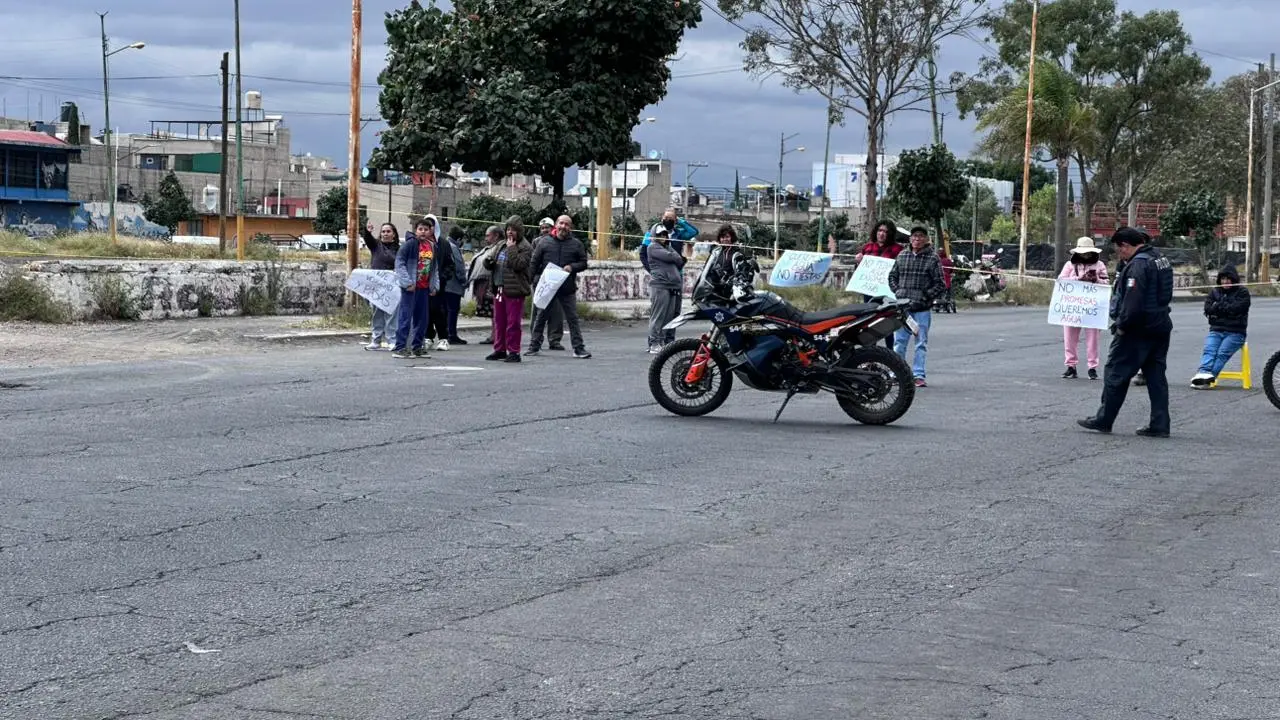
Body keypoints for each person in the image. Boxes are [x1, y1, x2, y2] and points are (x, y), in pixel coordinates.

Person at [1078, 227, 1174, 437]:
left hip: (1137, 330)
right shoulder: (1160, 259)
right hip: (1160, 324)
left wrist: (1122, 326)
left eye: (1119, 250)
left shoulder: (1138, 266)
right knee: (1156, 377)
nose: (1119, 254)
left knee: (1115, 373)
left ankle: (1104, 419)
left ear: (1125, 245)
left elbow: (1133, 303)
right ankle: (1160, 424)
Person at [888, 226, 946, 388]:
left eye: (921, 236)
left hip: (922, 309)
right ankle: (896, 373)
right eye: (914, 236)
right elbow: (892, 276)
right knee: (899, 342)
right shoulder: (902, 255)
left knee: (920, 343)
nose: (917, 239)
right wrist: (897, 291)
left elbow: (940, 284)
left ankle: (918, 375)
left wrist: (925, 296)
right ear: (910, 238)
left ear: (926, 239)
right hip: (903, 308)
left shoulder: (933, 258)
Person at [528, 215, 591, 358]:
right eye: (561, 223)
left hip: (567, 288)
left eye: (567, 224)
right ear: (556, 225)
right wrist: (531, 281)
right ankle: (534, 346)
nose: (563, 227)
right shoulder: (544, 242)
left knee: (572, 319)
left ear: (571, 228)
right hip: (548, 287)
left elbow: (584, 263)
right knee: (540, 316)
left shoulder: (576, 244)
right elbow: (534, 262)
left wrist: (572, 267)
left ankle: (579, 348)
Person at [1191, 265, 1251, 388]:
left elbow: (1238, 308)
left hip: (1236, 332)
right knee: (1209, 351)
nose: (1225, 281)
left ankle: (1207, 379)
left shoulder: (1243, 292)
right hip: (1216, 330)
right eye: (1223, 279)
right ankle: (1202, 374)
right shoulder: (1214, 291)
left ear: (1234, 279)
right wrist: (1224, 308)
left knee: (1221, 354)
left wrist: (1218, 307)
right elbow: (1208, 309)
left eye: (1229, 279)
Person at [484, 215, 534, 363]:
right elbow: (490, 259)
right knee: (499, 321)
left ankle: (514, 351)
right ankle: (499, 349)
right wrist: (489, 262)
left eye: (513, 230)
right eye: (508, 229)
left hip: (515, 290)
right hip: (499, 288)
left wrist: (512, 249)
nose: (510, 233)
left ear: (519, 231)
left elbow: (518, 265)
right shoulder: (501, 245)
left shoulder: (525, 247)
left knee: (513, 323)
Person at [1058, 237, 1109, 379]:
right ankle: (1070, 365)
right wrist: (1078, 279)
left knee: (1093, 339)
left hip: (1092, 307)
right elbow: (1061, 280)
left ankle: (1092, 367)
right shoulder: (1070, 265)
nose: (1085, 255)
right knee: (1069, 337)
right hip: (1073, 306)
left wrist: (1096, 279)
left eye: (1088, 253)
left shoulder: (1099, 265)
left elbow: (1107, 283)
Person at [390, 216, 440, 359]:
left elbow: (434, 268)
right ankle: (400, 347)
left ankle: (417, 347)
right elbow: (399, 263)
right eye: (420, 229)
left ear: (430, 231)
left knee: (422, 319)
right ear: (415, 230)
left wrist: (434, 285)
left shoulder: (432, 246)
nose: (423, 232)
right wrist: (407, 283)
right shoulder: (410, 245)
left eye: (426, 229)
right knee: (405, 318)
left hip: (424, 288)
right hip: (411, 288)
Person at [857, 219, 904, 348]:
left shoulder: (898, 249)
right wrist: (859, 261)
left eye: (885, 231)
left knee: (888, 322)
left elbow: (901, 270)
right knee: (870, 322)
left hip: (888, 291)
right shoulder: (867, 248)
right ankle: (870, 354)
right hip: (869, 291)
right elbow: (860, 272)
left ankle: (890, 354)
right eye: (880, 230)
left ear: (890, 234)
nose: (882, 234)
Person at [646, 223, 686, 353]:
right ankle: (654, 343)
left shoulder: (668, 247)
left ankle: (662, 341)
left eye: (664, 234)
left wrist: (675, 255)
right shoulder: (653, 247)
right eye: (659, 235)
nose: (662, 237)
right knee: (658, 316)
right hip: (660, 285)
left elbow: (679, 260)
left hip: (671, 286)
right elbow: (672, 257)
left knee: (669, 317)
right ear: (654, 236)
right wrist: (674, 255)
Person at [360, 220, 400, 350]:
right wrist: (367, 231)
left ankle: (392, 340)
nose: (385, 234)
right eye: (383, 231)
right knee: (377, 314)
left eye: (388, 231)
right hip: (377, 287)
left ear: (394, 234)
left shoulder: (400, 249)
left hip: (392, 287)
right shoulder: (376, 246)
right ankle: (376, 340)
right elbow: (368, 239)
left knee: (392, 314)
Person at [693, 224, 756, 304]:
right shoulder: (717, 252)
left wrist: (737, 279)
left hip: (732, 289)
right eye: (722, 237)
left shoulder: (737, 252)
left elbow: (743, 271)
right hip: (717, 287)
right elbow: (708, 267)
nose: (724, 239)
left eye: (727, 237)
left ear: (732, 237)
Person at [529, 217, 565, 351]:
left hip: (556, 279)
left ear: (553, 228)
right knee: (538, 310)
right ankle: (535, 339)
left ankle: (554, 340)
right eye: (542, 228)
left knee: (556, 311)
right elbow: (533, 262)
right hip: (540, 280)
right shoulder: (536, 242)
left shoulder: (560, 241)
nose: (544, 230)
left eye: (547, 228)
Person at [424, 224, 459, 350]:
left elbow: (450, 264)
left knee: (438, 311)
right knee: (425, 311)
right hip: (423, 284)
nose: (427, 230)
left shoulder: (443, 243)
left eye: (430, 227)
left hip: (439, 284)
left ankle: (443, 338)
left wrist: (442, 277)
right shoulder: (420, 244)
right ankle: (428, 336)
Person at [468, 225, 501, 344]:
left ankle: (497, 335)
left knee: (496, 312)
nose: (486, 238)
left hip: (493, 284)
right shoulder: (490, 248)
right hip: (486, 283)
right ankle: (495, 335)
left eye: (488, 235)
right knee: (493, 312)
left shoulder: (500, 247)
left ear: (496, 235)